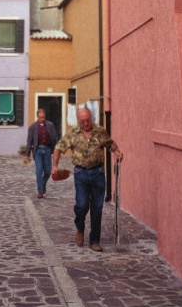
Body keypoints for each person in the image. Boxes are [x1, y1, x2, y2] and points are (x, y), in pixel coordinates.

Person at [52, 106, 123, 252]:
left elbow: (110, 143)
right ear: (78, 120)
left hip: (98, 173)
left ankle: (94, 240)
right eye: (82, 121)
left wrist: (117, 151)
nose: (85, 123)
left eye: (88, 120)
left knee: (97, 208)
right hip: (81, 174)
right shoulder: (72, 133)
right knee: (82, 205)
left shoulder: (100, 131)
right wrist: (55, 166)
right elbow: (58, 148)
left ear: (91, 118)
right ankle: (80, 227)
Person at [24, 109, 59, 198]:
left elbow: (55, 138)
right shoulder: (32, 127)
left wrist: (58, 150)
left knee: (47, 171)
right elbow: (29, 142)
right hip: (38, 151)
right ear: (37, 117)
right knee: (39, 171)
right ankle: (40, 191)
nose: (42, 119)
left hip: (47, 150)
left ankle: (42, 184)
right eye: (40, 118)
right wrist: (27, 155)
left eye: (43, 117)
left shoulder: (50, 125)